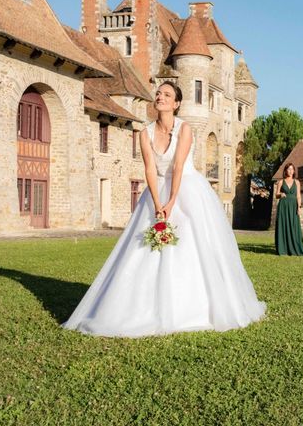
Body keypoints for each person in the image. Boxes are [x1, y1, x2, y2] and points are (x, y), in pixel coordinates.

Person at [63, 82, 266, 337]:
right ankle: (139, 305)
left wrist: (171, 202)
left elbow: (179, 165)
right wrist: (158, 203)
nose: (160, 97)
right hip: (156, 190)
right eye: (158, 93)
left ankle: (195, 305)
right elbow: (149, 168)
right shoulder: (145, 133)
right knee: (144, 249)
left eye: (167, 95)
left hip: (187, 189)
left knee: (192, 246)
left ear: (177, 103)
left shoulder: (186, 128)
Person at [275, 163, 303, 256]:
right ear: (285, 171)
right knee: (283, 225)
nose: (290, 171)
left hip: (293, 206)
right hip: (283, 206)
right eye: (288, 169)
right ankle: (283, 249)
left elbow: (298, 196)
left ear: (294, 171)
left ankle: (294, 247)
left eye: (292, 169)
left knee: (293, 225)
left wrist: (299, 207)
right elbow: (276, 195)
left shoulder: (297, 182)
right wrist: (280, 194)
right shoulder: (281, 182)